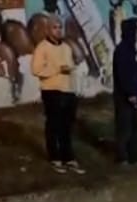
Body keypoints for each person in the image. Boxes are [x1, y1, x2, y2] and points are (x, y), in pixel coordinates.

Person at [31, 14, 84, 174]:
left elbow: (70, 68)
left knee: (67, 126)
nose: (58, 30)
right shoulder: (42, 47)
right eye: (55, 27)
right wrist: (57, 69)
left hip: (68, 91)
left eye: (60, 27)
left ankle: (68, 157)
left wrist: (75, 88)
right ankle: (55, 157)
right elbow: (36, 69)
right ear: (48, 30)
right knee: (54, 125)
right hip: (51, 91)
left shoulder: (66, 47)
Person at [113, 18, 137, 165]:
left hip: (134, 95)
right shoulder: (122, 50)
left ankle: (134, 156)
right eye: (136, 31)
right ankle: (123, 158)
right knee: (125, 127)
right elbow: (124, 74)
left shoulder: (131, 49)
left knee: (135, 127)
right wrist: (131, 93)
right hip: (125, 97)